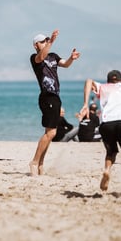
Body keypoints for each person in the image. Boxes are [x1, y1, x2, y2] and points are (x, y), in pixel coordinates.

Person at [78, 70, 121, 199]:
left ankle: (107, 170)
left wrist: (85, 104)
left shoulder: (103, 87)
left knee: (111, 152)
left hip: (107, 124)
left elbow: (88, 81)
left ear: (108, 81)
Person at [29, 29, 80, 176]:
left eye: (46, 41)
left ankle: (40, 164)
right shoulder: (35, 58)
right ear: (36, 45)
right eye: (43, 41)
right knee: (51, 133)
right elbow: (42, 56)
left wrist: (71, 58)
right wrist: (51, 41)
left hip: (55, 97)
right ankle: (34, 162)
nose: (45, 43)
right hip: (47, 97)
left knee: (50, 133)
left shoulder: (53, 56)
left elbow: (65, 64)